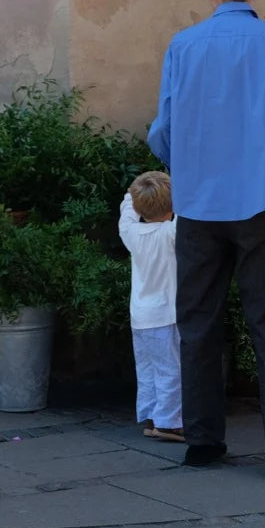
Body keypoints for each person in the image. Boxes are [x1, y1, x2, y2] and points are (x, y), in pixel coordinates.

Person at [148, 0, 265, 481]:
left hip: (199, 206)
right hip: (263, 201)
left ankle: (201, 440)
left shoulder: (184, 46)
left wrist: (192, 169)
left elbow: (163, 131)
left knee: (197, 321)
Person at [118, 171, 183, 442]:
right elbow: (189, 212)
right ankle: (169, 423)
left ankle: (152, 416)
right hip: (166, 315)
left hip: (140, 316)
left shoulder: (131, 233)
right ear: (172, 206)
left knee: (147, 369)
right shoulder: (171, 233)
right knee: (171, 369)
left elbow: (126, 207)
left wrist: (135, 195)